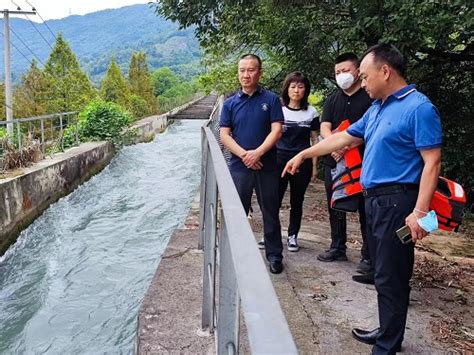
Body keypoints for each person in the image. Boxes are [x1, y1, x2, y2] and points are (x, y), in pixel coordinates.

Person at [282, 44, 442, 354]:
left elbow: (432, 162)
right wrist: (304, 153)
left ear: (386, 72)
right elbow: (344, 138)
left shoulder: (418, 107)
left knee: (393, 272)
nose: (362, 83)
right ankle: (387, 329)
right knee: (382, 271)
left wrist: (420, 212)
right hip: (374, 201)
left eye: (365, 77)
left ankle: (387, 345)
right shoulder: (379, 107)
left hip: (399, 201)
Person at [220, 54, 285, 274]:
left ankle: (275, 256)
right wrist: (245, 155)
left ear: (259, 72)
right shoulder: (230, 104)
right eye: (242, 70)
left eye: (250, 70)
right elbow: (225, 135)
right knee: (237, 212)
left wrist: (257, 153)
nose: (246, 75)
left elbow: (277, 131)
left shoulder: (271, 100)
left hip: (266, 165)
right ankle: (237, 255)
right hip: (239, 167)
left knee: (270, 211)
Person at [317, 53, 374, 281]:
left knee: (365, 210)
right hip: (334, 162)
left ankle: (368, 256)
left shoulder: (369, 98)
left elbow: (369, 129)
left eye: (345, 71)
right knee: (335, 205)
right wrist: (333, 145)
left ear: (358, 71)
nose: (341, 76)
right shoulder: (333, 100)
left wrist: (346, 145)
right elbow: (324, 126)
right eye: (337, 72)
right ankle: (337, 246)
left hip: (363, 163)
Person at [276, 71, 319, 252]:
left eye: (300, 87)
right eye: (293, 86)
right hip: (279, 159)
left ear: (306, 90)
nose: (296, 90)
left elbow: (315, 140)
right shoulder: (279, 110)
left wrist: (315, 166)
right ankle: (271, 233)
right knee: (274, 199)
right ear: (287, 89)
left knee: (297, 200)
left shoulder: (311, 112)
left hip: (302, 161)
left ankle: (293, 236)